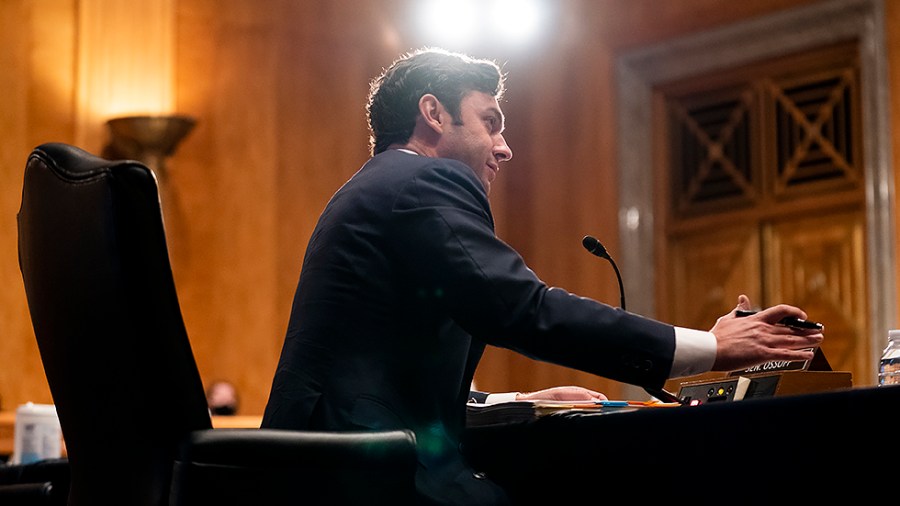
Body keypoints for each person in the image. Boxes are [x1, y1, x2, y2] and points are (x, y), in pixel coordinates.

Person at [261, 47, 823, 505]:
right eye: (491, 123)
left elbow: (384, 361)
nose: (505, 148)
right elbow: (523, 309)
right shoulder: (420, 184)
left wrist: (520, 401)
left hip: (323, 466)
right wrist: (712, 346)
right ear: (433, 114)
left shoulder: (379, 189)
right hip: (366, 477)